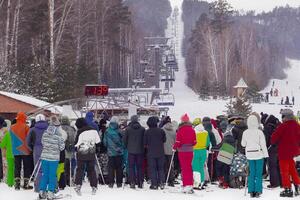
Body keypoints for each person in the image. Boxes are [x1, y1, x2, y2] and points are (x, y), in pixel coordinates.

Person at [271, 109, 300, 197]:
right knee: (292, 169)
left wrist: (274, 143)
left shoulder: (283, 126)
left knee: (284, 171)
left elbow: (273, 138)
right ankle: (297, 185)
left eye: (282, 116)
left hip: (284, 152)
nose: (282, 118)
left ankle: (287, 189)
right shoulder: (297, 125)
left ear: (285, 117)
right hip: (293, 151)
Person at [38, 116, 65, 200]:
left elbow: (43, 143)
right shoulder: (58, 136)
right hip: (53, 159)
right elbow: (61, 148)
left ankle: (42, 192)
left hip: (44, 157)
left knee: (45, 174)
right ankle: (50, 193)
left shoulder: (45, 133)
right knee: (52, 175)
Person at [242, 115, 269, 198]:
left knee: (251, 173)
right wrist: (266, 155)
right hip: (258, 154)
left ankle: (251, 191)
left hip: (250, 155)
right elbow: (263, 145)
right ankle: (258, 191)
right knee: (258, 173)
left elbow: (243, 144)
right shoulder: (259, 132)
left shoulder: (245, 132)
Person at [74, 118, 100, 196]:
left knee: (80, 169)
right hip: (91, 152)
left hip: (82, 153)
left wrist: (74, 148)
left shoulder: (80, 132)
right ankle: (94, 186)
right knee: (91, 170)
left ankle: (78, 185)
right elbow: (98, 142)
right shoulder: (94, 131)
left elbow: (77, 143)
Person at [173, 114, 196, 194]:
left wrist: (174, 147)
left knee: (184, 168)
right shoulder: (192, 130)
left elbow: (178, 142)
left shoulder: (180, 130)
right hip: (190, 151)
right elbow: (194, 142)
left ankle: (186, 184)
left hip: (182, 151)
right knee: (189, 167)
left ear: (182, 121)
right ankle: (190, 184)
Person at [10, 112, 32, 190]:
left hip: (15, 150)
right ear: (24, 118)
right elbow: (29, 139)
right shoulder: (26, 127)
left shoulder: (11, 127)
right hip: (25, 150)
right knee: (26, 167)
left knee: (17, 167)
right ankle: (26, 184)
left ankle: (17, 184)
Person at [26, 114, 49, 192]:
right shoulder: (49, 128)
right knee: (48, 168)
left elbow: (28, 142)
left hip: (37, 149)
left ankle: (38, 188)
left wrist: (31, 149)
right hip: (48, 148)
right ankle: (50, 187)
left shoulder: (32, 129)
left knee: (38, 168)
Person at [123, 115, 145, 189]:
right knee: (140, 167)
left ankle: (132, 182)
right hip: (140, 151)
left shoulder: (128, 129)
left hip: (131, 151)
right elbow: (144, 140)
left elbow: (125, 140)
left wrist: (126, 147)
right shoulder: (142, 129)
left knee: (131, 167)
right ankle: (140, 182)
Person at [144, 116, 166, 190]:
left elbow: (145, 143)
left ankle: (154, 184)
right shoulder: (161, 131)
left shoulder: (147, 132)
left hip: (151, 153)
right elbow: (164, 140)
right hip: (160, 152)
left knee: (152, 168)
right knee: (160, 168)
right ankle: (161, 183)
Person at [260, 113, 281, 188]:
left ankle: (274, 183)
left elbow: (265, 140)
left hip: (271, 149)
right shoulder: (277, 124)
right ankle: (280, 181)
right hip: (279, 148)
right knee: (278, 165)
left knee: (272, 166)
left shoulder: (267, 127)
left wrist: (264, 148)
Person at [103, 116, 124, 188]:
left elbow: (105, 142)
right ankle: (119, 183)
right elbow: (124, 141)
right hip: (119, 152)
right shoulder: (120, 131)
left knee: (111, 168)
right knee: (119, 168)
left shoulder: (107, 131)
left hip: (110, 152)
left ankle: (111, 183)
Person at [192, 118, 210, 190]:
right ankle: (202, 182)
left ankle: (197, 183)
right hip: (203, 151)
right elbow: (208, 143)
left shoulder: (194, 132)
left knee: (195, 168)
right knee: (201, 167)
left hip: (195, 151)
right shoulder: (206, 132)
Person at [60, 116, 76, 187]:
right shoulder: (71, 129)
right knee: (69, 165)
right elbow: (72, 139)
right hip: (68, 149)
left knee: (61, 165)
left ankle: (61, 180)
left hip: (60, 149)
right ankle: (69, 180)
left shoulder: (59, 128)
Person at [162, 118, 177, 187]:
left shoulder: (162, 130)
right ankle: (171, 180)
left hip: (163, 150)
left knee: (164, 165)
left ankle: (164, 179)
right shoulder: (174, 131)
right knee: (170, 165)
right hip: (171, 150)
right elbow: (175, 141)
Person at [0, 118, 14, 187]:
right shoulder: (11, 131)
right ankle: (12, 180)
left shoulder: (2, 131)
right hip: (12, 151)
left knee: (5, 166)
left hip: (4, 151)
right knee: (12, 167)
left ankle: (6, 179)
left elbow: (2, 144)